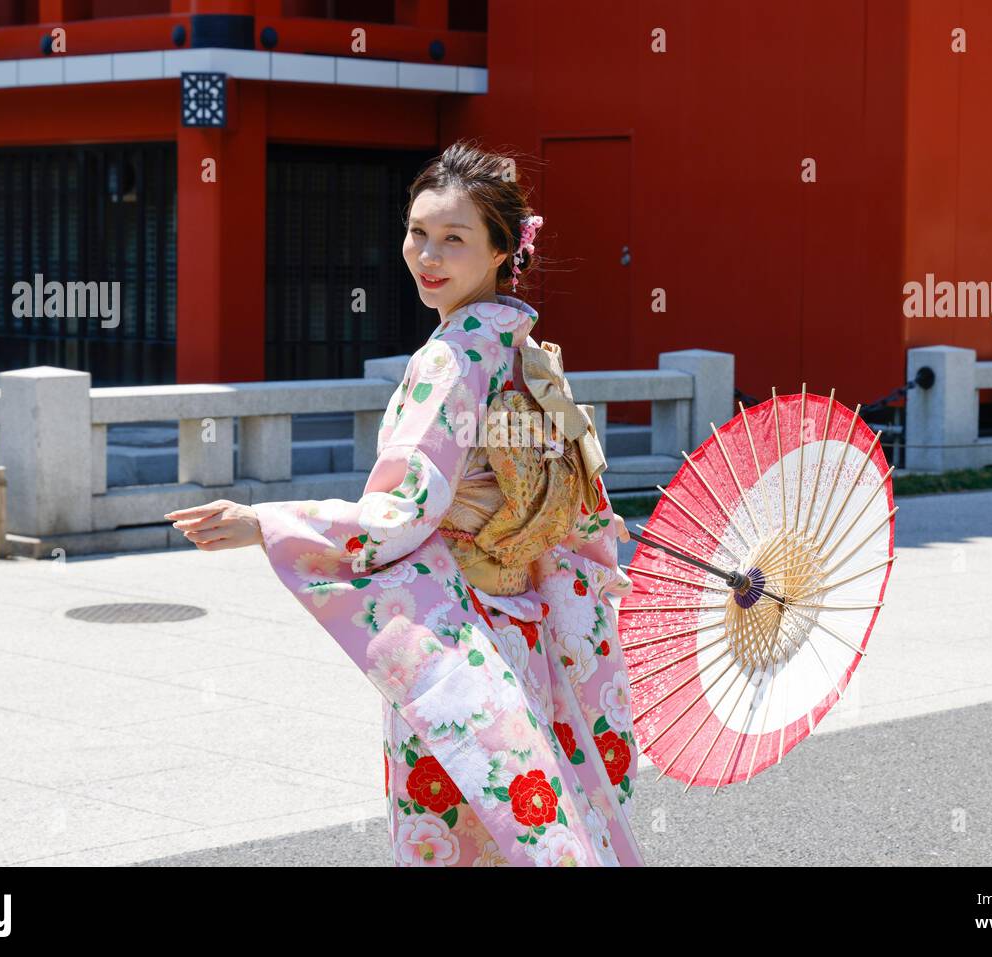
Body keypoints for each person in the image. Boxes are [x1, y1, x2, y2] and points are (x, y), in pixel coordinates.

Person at [164, 140, 644, 867]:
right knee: (529, 823)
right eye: (418, 232)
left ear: (501, 251)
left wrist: (267, 523)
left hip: (466, 644)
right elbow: (574, 507)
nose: (429, 254)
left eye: (455, 239)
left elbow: (401, 512)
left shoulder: (451, 358)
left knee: (458, 833)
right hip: (532, 637)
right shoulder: (525, 352)